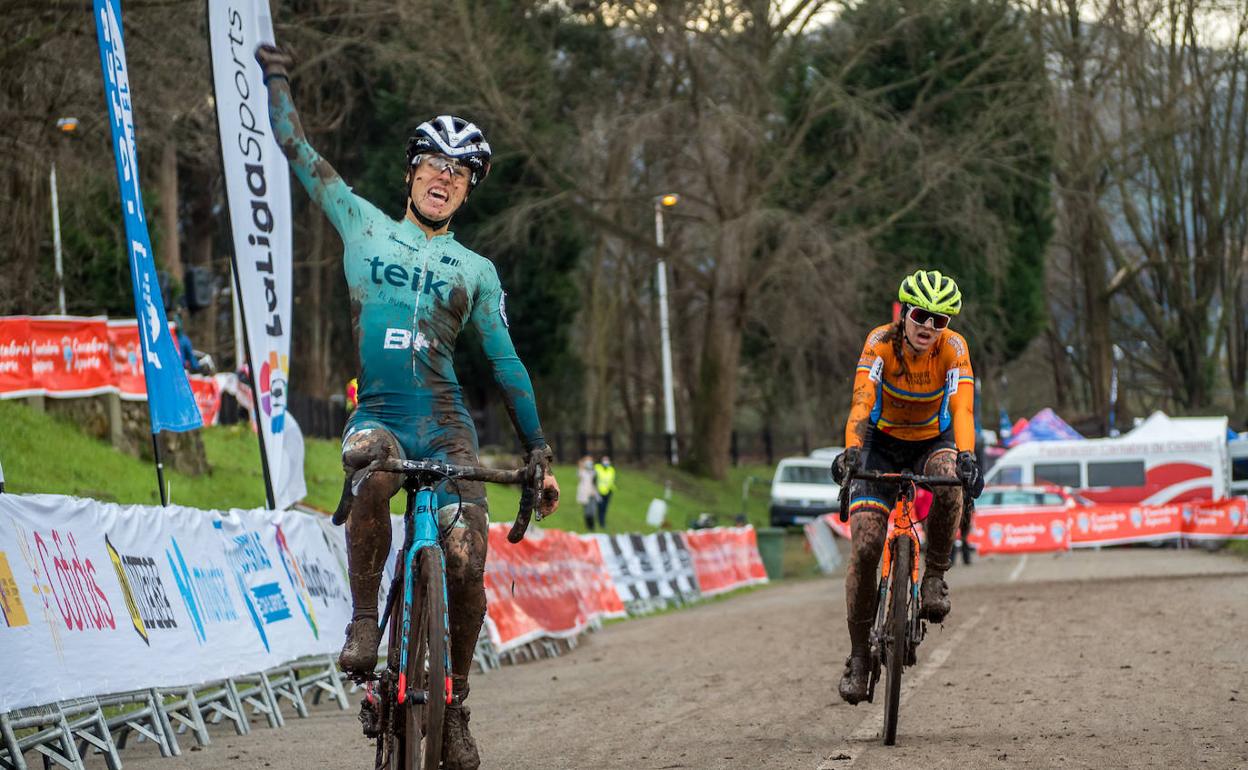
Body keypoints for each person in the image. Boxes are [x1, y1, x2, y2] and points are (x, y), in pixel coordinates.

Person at [257, 45, 560, 770]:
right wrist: (277, 79)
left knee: (465, 554)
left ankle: (454, 707)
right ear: (411, 172)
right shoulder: (361, 223)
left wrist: (538, 448)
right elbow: (295, 149)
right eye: (433, 164)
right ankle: (366, 624)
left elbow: (505, 361)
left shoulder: (476, 271)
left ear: (467, 191)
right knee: (376, 472)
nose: (444, 176)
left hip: (447, 421)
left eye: (458, 172)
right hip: (383, 411)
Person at [830, 269, 983, 705]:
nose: (929, 328)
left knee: (952, 478)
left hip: (931, 441)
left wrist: (967, 456)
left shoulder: (953, 351)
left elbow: (963, 409)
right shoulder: (880, 343)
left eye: (941, 320)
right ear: (903, 313)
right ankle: (860, 656)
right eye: (921, 316)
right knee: (865, 545)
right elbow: (861, 400)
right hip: (880, 444)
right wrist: (853, 451)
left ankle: (934, 575)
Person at [576, 454, 600, 530]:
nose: (589, 462)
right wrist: (581, 465)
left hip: (593, 493)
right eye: (587, 461)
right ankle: (588, 526)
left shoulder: (594, 471)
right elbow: (579, 476)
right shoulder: (582, 471)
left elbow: (595, 482)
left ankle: (592, 526)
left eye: (590, 461)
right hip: (585, 494)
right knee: (587, 511)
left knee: (593, 510)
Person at [593, 455, 616, 529]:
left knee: (605, 508)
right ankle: (600, 522)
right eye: (604, 460)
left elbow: (612, 480)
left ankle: (602, 522)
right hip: (599, 491)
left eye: (607, 460)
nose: (606, 462)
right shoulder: (597, 468)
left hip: (609, 491)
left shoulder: (611, 469)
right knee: (600, 507)